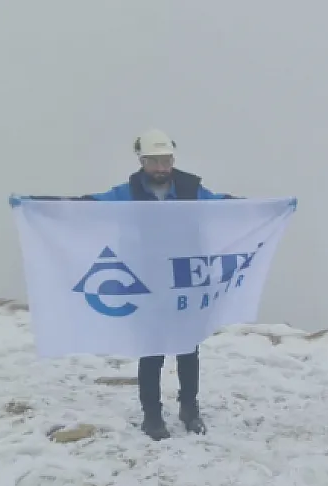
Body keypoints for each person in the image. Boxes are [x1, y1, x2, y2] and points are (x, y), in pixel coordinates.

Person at [61, 129, 237, 441]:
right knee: (152, 351)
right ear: (142, 161)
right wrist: (42, 205)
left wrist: (258, 207)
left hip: (184, 282)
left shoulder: (189, 187)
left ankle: (189, 409)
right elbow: (92, 205)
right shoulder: (127, 192)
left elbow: (220, 205)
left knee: (188, 349)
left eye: (166, 160)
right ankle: (152, 416)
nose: (161, 168)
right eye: (154, 161)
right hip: (147, 282)